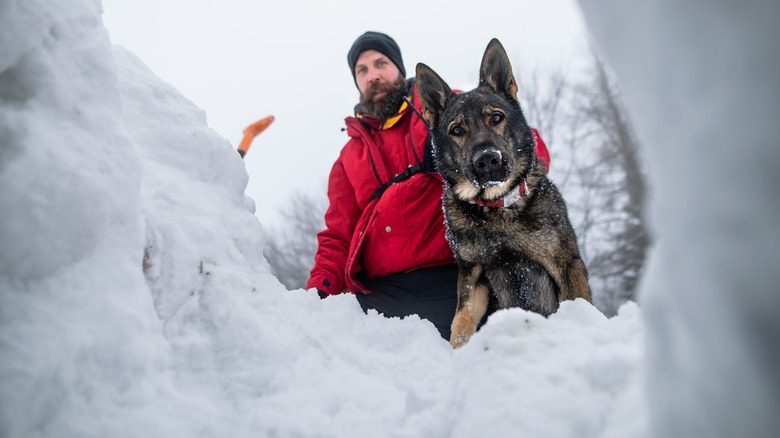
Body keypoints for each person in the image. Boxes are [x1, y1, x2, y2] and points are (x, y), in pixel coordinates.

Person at [306, 31, 550, 341]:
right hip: (380, 293)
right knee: (337, 354)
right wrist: (317, 294)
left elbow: (525, 144)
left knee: (499, 348)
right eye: (362, 70)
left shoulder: (450, 114)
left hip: (457, 275)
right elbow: (337, 235)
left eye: (381, 63)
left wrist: (496, 171)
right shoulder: (347, 158)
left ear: (399, 68)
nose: (373, 75)